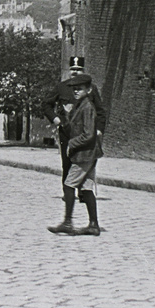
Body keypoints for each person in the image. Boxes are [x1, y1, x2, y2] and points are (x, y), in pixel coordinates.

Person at [43, 56, 105, 200]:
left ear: (83, 71)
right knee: (67, 161)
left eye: (79, 70)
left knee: (84, 160)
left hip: (84, 131)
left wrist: (99, 129)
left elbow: (100, 111)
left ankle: (83, 193)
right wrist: (55, 119)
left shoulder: (90, 89)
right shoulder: (61, 87)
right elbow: (46, 104)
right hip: (66, 131)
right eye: (73, 69)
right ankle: (68, 193)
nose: (75, 72)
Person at [48, 72, 102, 236]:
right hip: (87, 154)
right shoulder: (80, 105)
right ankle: (93, 225)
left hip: (84, 155)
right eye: (74, 89)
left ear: (88, 90)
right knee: (86, 188)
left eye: (79, 89)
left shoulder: (87, 107)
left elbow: (88, 134)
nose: (76, 92)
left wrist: (71, 143)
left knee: (68, 185)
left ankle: (68, 222)